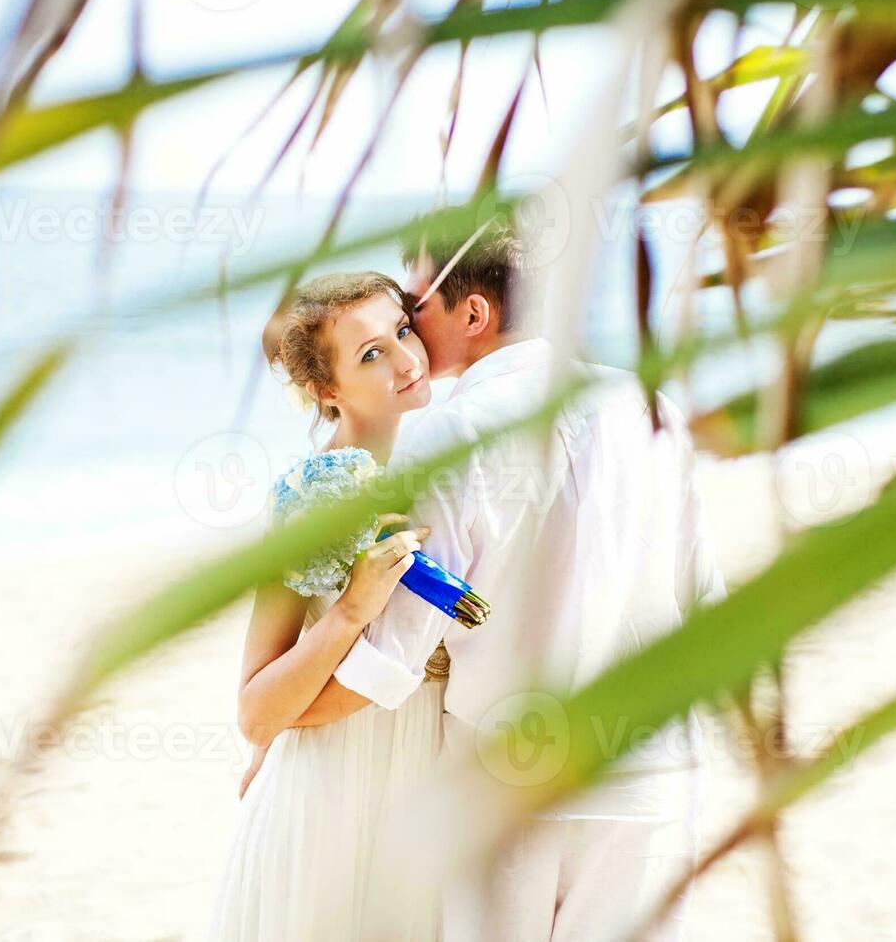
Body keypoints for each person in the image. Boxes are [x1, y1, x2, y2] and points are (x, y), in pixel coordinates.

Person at [290, 220, 726, 941]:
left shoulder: (453, 434)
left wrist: (278, 721)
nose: (409, 331)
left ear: (472, 315)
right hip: (652, 776)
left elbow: (394, 658)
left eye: (415, 305)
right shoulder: (655, 410)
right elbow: (705, 601)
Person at [209, 271, 448, 941]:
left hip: (429, 781)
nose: (405, 359)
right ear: (327, 391)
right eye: (370, 354)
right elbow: (256, 713)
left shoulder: (450, 466)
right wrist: (349, 611)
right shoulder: (307, 501)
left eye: (403, 331)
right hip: (334, 792)